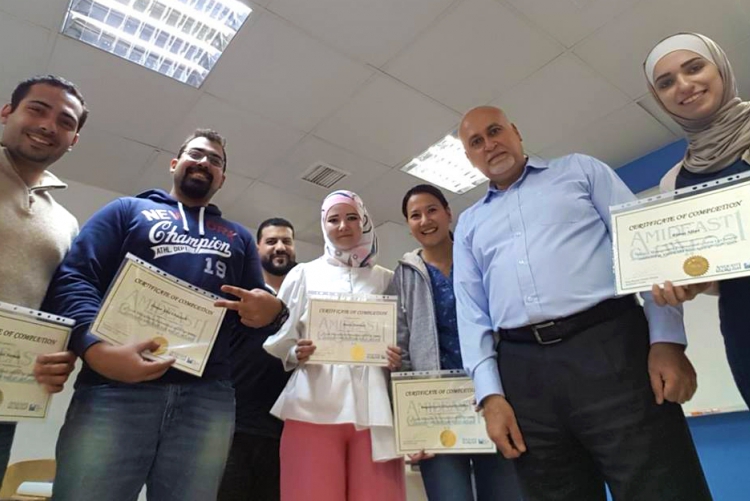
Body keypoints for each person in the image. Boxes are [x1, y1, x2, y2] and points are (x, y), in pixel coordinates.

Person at [454, 105, 711, 500]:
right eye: (476, 142)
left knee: (661, 484)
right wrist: (490, 396)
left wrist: (667, 341)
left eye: (495, 131)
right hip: (524, 375)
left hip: (611, 348)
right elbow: (471, 314)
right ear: (470, 157)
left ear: (516, 132)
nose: (489, 144)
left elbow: (643, 251)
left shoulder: (580, 171)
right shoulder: (469, 224)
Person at [44, 129, 286, 501]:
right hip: (115, 387)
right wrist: (93, 348)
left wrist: (273, 312)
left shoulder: (237, 237)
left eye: (216, 161)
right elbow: (76, 277)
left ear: (221, 179)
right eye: (196, 154)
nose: (205, 162)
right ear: (175, 164)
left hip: (208, 399)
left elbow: (250, 316)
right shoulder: (126, 210)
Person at [259, 190, 406, 501]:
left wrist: (396, 356)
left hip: (374, 409)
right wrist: (293, 351)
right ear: (323, 225)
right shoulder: (303, 274)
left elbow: (402, 337)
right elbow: (280, 335)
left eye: (352, 217)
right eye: (333, 219)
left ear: (364, 221)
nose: (343, 226)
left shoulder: (387, 279)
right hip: (312, 403)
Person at [388, 184, 522, 501]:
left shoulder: (477, 259)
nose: (425, 220)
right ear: (408, 225)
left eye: (432, 210)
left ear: (449, 213)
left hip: (491, 399)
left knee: (506, 494)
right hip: (437, 411)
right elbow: (403, 352)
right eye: (415, 215)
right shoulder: (404, 276)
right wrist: (410, 427)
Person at [644, 32, 750, 407]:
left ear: (719, 67)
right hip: (744, 326)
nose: (684, 85)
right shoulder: (674, 182)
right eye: (666, 82)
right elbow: (722, 276)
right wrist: (694, 284)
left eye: (694, 67)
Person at [0, 75, 87, 481]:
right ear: (7, 111)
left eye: (66, 122)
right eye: (37, 109)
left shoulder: (67, 224)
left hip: (5, 394)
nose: (49, 125)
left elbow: (57, 306)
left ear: (73, 140)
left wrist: (60, 352)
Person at [218, 217, 297, 501]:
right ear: (257, 247)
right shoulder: (239, 294)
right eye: (271, 241)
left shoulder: (305, 300)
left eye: (286, 241)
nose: (280, 247)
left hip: (284, 431)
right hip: (234, 427)